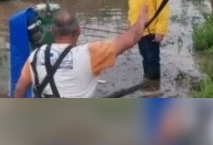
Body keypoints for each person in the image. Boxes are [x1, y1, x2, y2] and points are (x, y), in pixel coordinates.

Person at [13, 5, 148, 98]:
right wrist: (141, 19)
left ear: (53, 31)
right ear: (78, 30)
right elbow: (130, 39)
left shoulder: (36, 55)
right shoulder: (91, 54)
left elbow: (20, 89)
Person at [128, 0, 170, 89]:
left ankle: (154, 85)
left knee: (152, 59)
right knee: (144, 55)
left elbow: (163, 10)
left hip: (151, 30)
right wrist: (131, 23)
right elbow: (132, 4)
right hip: (138, 29)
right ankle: (147, 79)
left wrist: (160, 31)